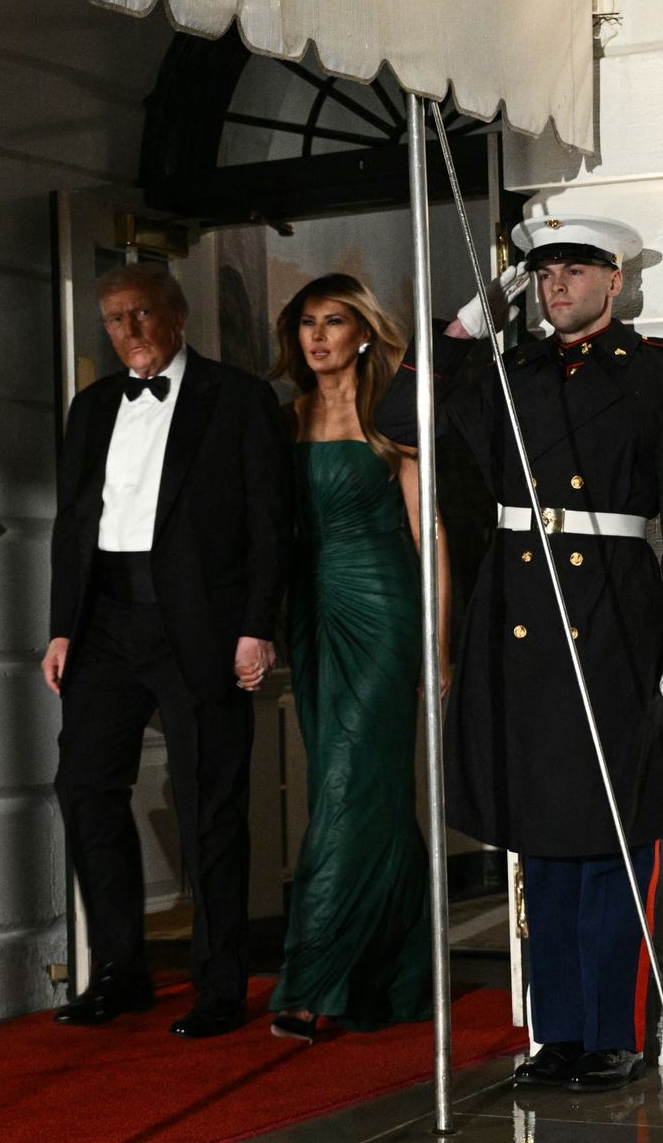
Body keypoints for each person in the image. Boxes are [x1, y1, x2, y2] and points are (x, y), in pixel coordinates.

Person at [377, 216, 663, 1092]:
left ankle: (613, 1031)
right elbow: (396, 418)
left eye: (574, 271)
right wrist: (466, 323)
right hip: (521, 617)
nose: (555, 286)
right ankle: (558, 1032)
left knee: (610, 833)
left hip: (614, 610)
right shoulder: (507, 371)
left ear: (612, 282)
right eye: (542, 274)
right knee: (541, 834)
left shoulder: (651, 371)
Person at [42, 262, 292, 1039]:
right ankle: (121, 970)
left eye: (142, 314)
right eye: (114, 319)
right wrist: (61, 626)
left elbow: (270, 523)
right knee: (83, 788)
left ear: (176, 316)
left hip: (202, 626)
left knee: (208, 803)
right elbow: (73, 522)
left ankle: (220, 984)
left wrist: (257, 627)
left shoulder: (240, 397)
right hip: (105, 624)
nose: (129, 332)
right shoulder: (90, 407)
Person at [265, 273, 451, 1044]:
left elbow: (427, 533)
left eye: (332, 322)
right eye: (306, 322)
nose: (316, 336)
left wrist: (437, 646)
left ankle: (316, 980)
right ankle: (400, 973)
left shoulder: (392, 414)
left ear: (363, 332)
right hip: (310, 613)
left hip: (381, 610)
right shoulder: (282, 420)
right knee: (365, 791)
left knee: (344, 785)